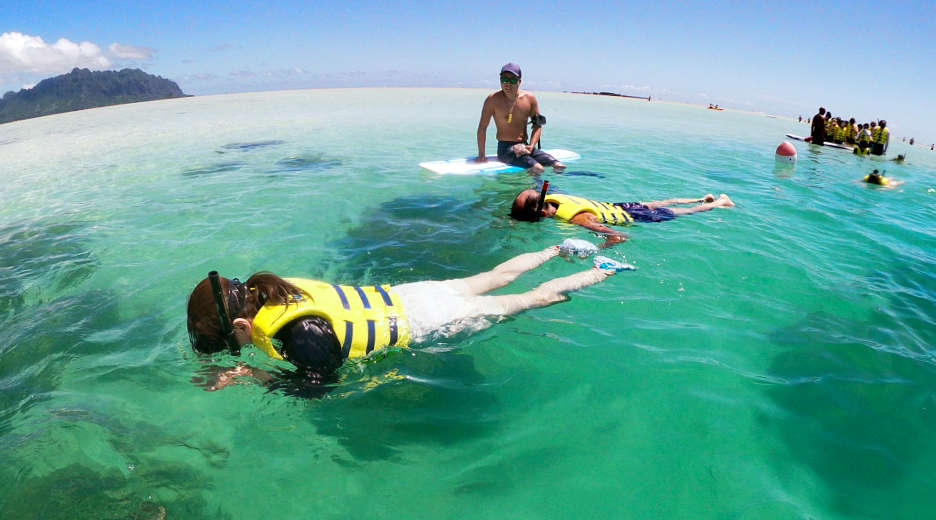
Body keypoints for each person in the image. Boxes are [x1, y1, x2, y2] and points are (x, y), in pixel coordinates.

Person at [187, 247, 617, 389]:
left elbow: (321, 386)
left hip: (431, 321)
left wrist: (248, 373)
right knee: (493, 277)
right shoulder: (272, 288)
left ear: (242, 326)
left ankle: (600, 272)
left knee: (526, 301)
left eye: (233, 343)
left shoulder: (300, 335)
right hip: (411, 295)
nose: (236, 348)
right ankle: (557, 250)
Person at [510, 189, 735, 245]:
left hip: (629, 216)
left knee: (678, 212)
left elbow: (619, 236)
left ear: (540, 214)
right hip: (614, 206)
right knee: (659, 202)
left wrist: (599, 248)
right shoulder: (551, 197)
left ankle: (720, 203)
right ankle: (700, 198)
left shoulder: (578, 220)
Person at [476, 63, 566, 175]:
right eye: (504, 79)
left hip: (526, 146)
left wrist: (531, 145)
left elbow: (538, 125)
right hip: (505, 149)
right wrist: (481, 155)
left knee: (559, 165)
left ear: (519, 81)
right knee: (538, 168)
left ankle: (551, 189)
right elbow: (482, 128)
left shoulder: (530, 99)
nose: (507, 84)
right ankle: (534, 189)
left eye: (512, 80)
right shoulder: (492, 100)